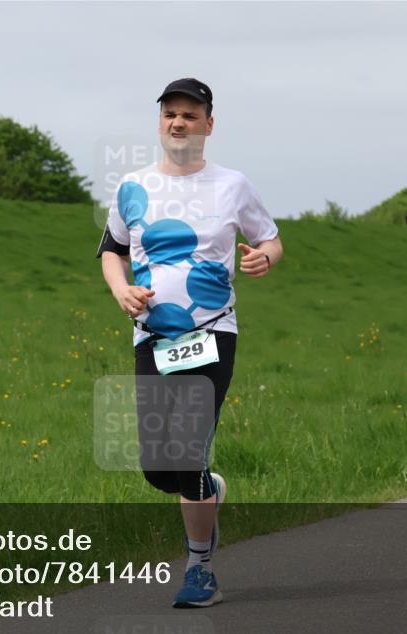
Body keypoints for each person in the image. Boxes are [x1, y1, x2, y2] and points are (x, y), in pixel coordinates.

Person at [97, 78, 282, 606]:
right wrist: (121, 290)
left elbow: (269, 238)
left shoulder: (232, 185)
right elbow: (112, 249)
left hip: (212, 335)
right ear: (160, 122)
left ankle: (200, 568)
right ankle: (210, 491)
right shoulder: (133, 186)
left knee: (187, 452)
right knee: (160, 468)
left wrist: (265, 256)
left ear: (209, 125)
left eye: (190, 115)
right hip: (153, 336)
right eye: (170, 114)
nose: (179, 122)